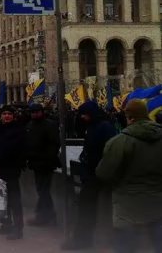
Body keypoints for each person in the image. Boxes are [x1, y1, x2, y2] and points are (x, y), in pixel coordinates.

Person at [96, 99, 162, 253]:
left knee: (125, 246)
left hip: (127, 206)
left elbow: (103, 173)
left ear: (129, 117)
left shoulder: (119, 142)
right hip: (158, 203)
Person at [61, 101, 116, 251]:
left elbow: (109, 152)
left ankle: (82, 240)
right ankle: (83, 238)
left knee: (86, 209)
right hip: (90, 173)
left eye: (85, 114)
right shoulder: (92, 127)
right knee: (85, 208)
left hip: (96, 174)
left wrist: (99, 170)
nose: (82, 117)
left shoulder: (103, 127)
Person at [0, 105, 27, 240]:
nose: (6, 116)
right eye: (4, 114)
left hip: (11, 169)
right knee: (0, 199)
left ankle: (18, 228)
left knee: (14, 200)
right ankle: (5, 225)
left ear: (13, 116)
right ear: (1, 116)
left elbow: (12, 150)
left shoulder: (18, 130)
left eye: (9, 114)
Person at [24, 103, 60, 226]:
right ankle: (47, 215)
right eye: (32, 112)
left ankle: (45, 216)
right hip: (35, 163)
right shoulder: (29, 125)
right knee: (42, 190)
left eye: (37, 112)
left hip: (45, 163)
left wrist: (47, 159)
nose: (34, 114)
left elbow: (55, 144)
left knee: (43, 190)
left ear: (42, 112)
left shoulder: (49, 125)